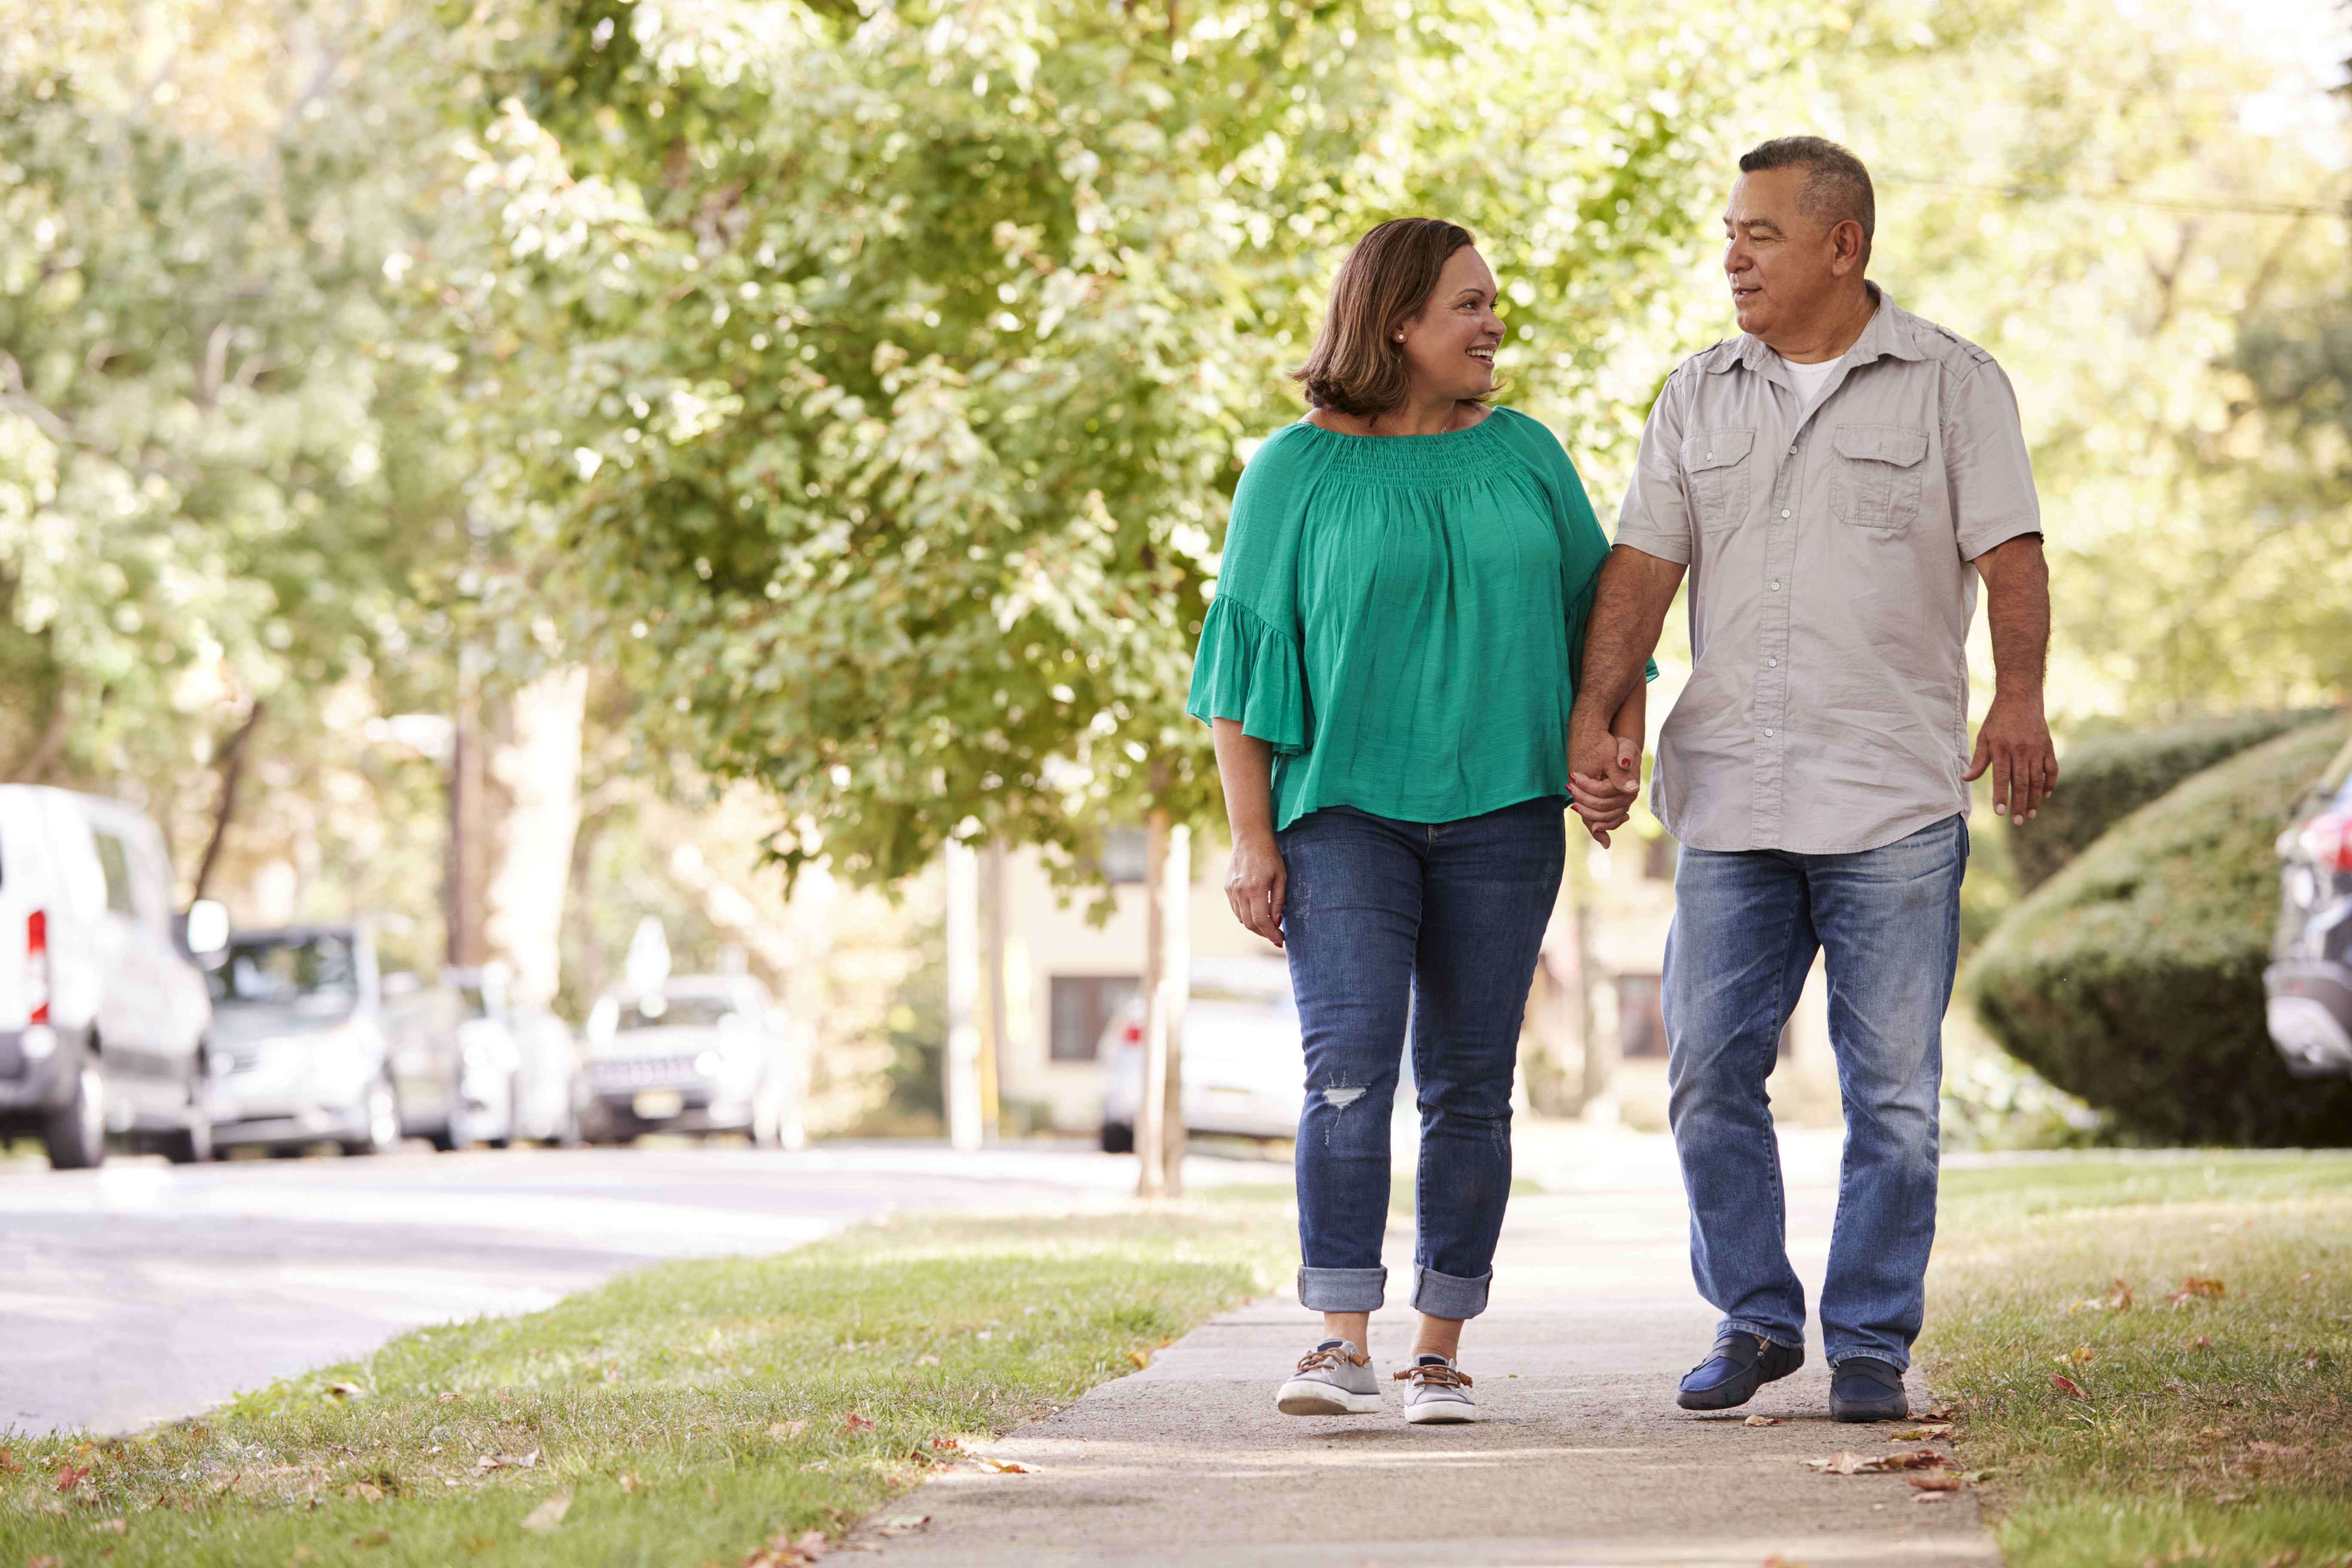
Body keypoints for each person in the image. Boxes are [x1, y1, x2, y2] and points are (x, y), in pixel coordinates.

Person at [1565, 136, 2056, 1422]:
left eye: (1763, 234)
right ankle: (1753, 1317)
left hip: (1892, 798)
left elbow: (2012, 555)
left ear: (1845, 245)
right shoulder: (1697, 396)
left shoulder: (1954, 385)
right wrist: (1599, 712)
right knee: (1706, 1070)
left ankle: (1874, 1341)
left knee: (1892, 1093)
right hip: (1730, 796)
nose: (1734, 256)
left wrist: (2017, 697)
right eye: (1732, 233)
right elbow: (1642, 570)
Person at [1191, 217, 1649, 1425]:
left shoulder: (1528, 458)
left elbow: (1604, 631)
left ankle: (1438, 1350)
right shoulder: (1292, 470)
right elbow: (1242, 666)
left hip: (1502, 814)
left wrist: (1609, 753)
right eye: (1470, 305)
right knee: (1346, 1074)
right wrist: (1252, 838)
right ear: (1397, 322)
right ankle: (1339, 1339)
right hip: (1342, 816)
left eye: (1495, 305)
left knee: (1470, 1087)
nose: (1495, 324)